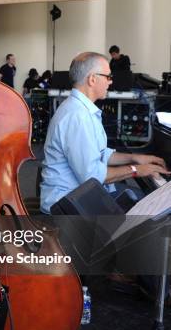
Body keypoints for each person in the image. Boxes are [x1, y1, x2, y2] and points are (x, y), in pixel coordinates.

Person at [40, 52, 169, 214]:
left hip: (80, 195)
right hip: (68, 206)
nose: (111, 81)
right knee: (146, 211)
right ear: (92, 79)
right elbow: (92, 176)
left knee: (139, 201)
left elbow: (100, 154)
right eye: (108, 76)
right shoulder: (78, 117)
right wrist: (137, 170)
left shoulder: (81, 110)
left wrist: (135, 157)